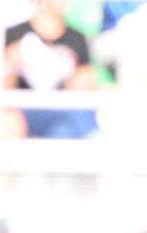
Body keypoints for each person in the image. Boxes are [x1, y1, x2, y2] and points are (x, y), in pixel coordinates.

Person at [5, 0, 99, 140]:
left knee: (62, 131)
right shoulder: (15, 34)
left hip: (64, 108)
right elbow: (4, 84)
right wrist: (12, 63)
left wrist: (81, 81)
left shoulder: (77, 38)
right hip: (28, 110)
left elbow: (88, 84)